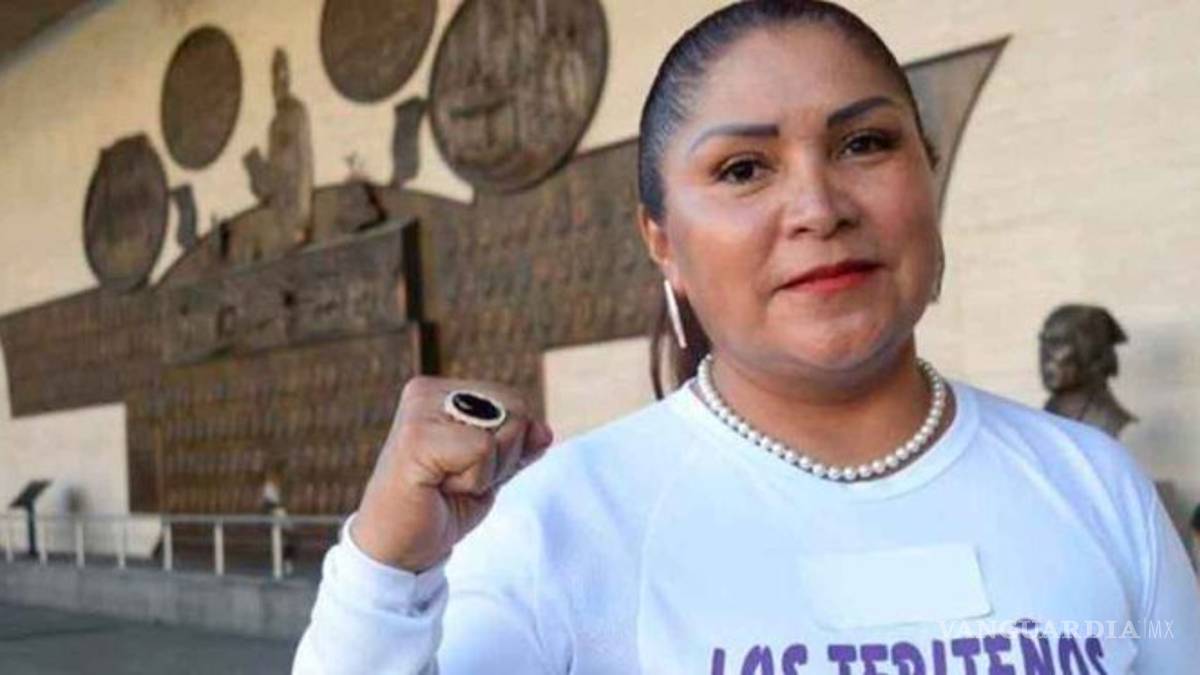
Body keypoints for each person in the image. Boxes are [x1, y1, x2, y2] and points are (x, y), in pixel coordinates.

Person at [294, 2, 1200, 673]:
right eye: (742, 168)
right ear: (662, 241)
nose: (818, 207)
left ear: (927, 174)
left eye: (865, 144)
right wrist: (384, 569)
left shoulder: (1091, 484)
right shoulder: (558, 523)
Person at [1040, 304, 1136, 438]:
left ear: (1092, 352)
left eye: (1058, 343)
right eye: (1043, 342)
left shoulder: (1113, 425)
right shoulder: (1043, 418)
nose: (1045, 355)